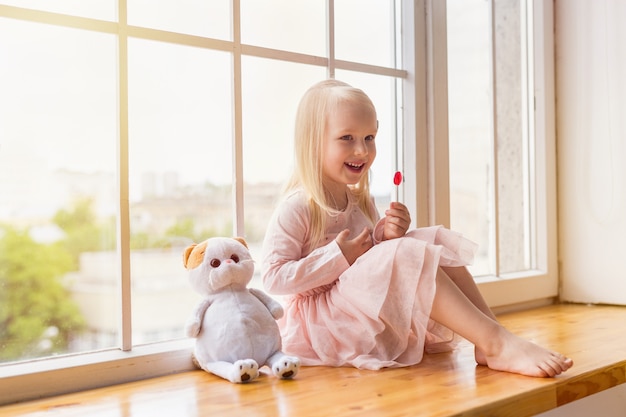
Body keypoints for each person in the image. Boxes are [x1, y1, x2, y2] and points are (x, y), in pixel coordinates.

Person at [261, 79, 573, 377]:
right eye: (348, 138)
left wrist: (385, 236)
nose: (362, 151)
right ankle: (497, 343)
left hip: (355, 312)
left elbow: (369, 265)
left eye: (370, 138)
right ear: (313, 142)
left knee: (429, 239)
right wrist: (337, 255)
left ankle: (490, 340)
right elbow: (274, 277)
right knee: (407, 252)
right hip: (322, 326)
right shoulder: (298, 206)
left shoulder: (359, 200)